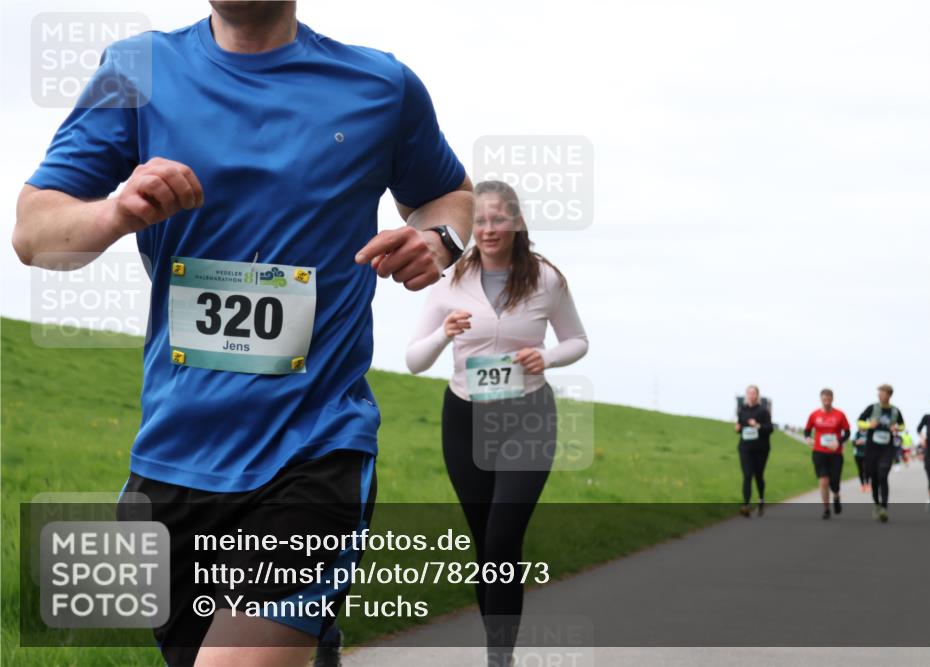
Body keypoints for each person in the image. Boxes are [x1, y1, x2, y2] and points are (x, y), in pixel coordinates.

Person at [13, 3, 474, 666]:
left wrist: (440, 240)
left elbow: (448, 194)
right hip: (172, 461)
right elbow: (34, 232)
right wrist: (117, 211)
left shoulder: (380, 85)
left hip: (313, 448)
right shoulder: (138, 69)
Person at [406, 180, 588, 667]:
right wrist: (444, 335)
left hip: (527, 416)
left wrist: (545, 356)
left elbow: (578, 341)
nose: (488, 229)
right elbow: (413, 360)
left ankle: (499, 659)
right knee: (486, 545)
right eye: (481, 220)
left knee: (505, 538)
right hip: (464, 417)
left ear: (517, 223)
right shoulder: (451, 281)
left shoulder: (547, 279)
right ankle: (498, 652)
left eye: (498, 219)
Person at [858, 384, 905, 523]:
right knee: (874, 477)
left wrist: (897, 427)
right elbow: (859, 421)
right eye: (879, 393)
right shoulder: (872, 408)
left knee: (883, 476)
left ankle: (884, 508)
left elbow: (902, 426)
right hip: (872, 448)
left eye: (882, 393)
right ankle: (877, 504)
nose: (879, 395)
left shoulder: (895, 411)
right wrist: (868, 425)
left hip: (887, 449)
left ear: (889, 395)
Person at [804, 389, 852, 520]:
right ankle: (826, 509)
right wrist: (808, 438)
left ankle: (836, 496)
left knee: (834, 482)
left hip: (835, 453)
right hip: (819, 452)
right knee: (823, 481)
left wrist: (839, 442)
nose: (826, 402)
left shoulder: (840, 415)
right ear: (821, 399)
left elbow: (847, 433)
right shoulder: (814, 415)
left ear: (832, 399)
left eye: (828, 399)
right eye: (824, 399)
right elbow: (807, 430)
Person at [735, 385, 773, 517]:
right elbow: (740, 426)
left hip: (761, 449)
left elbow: (770, 429)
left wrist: (758, 425)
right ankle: (746, 505)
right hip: (745, 448)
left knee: (758, 476)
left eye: (754, 393)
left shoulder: (763, 411)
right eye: (749, 393)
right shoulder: (742, 410)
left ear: (757, 395)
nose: (751, 396)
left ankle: (761, 499)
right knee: (747, 475)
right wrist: (738, 428)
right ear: (746, 395)